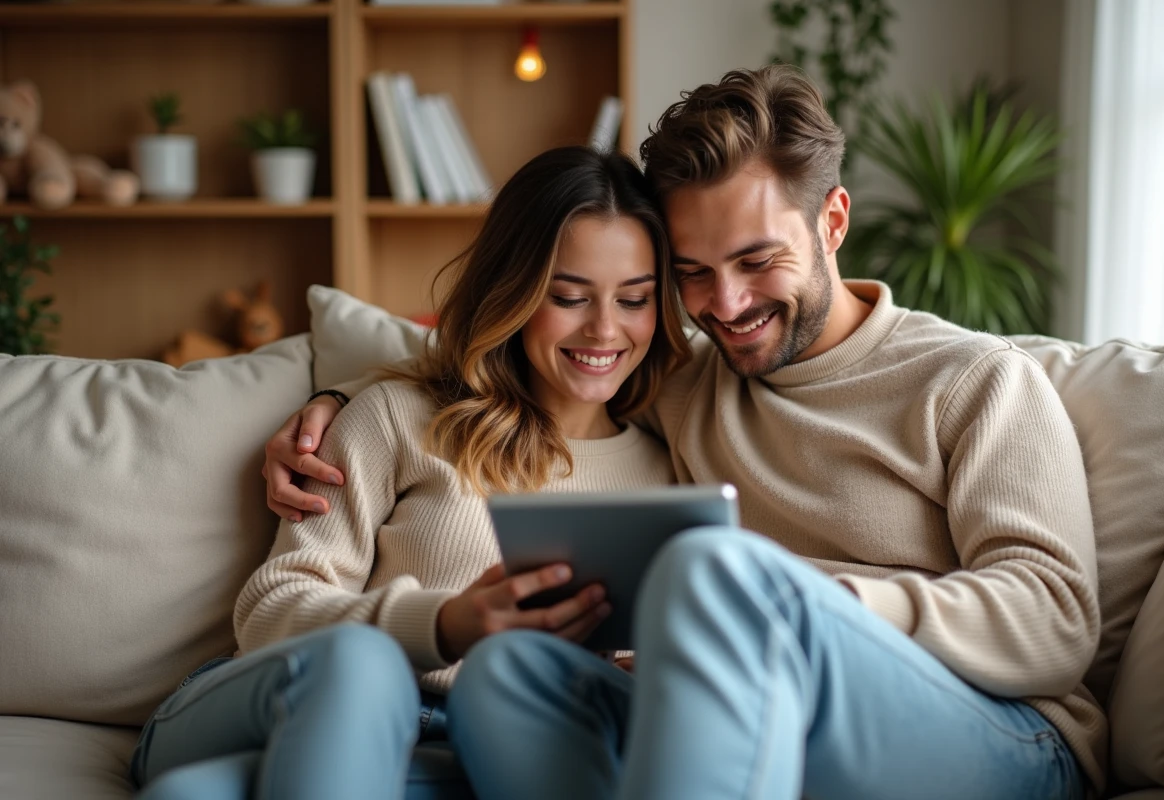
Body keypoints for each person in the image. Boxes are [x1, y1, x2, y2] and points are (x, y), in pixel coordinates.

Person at [264, 66, 1103, 800]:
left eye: (757, 260)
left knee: (716, 572)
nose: (728, 306)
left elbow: (1057, 621)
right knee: (503, 677)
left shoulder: (978, 382)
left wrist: (815, 607)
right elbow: (532, 347)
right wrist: (334, 398)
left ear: (834, 222)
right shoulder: (690, 379)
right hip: (758, 702)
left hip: (994, 733)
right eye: (693, 274)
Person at [129, 145, 690, 800]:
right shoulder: (397, 418)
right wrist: (445, 623)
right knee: (362, 668)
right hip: (306, 701)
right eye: (568, 296)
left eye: (635, 299)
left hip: (465, 752)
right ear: (513, 291)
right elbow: (268, 612)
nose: (604, 330)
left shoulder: (667, 469)